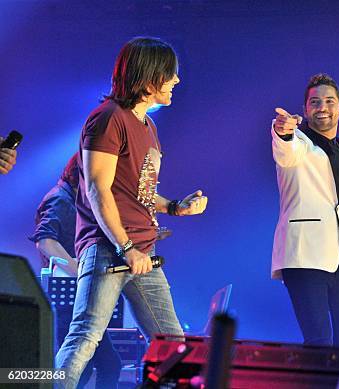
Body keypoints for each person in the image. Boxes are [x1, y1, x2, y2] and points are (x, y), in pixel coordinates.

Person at [55, 37, 207, 388]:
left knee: (172, 346)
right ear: (150, 77)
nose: (176, 81)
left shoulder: (147, 126)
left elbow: (138, 191)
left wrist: (174, 207)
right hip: (112, 248)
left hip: (141, 252)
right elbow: (97, 188)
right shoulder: (108, 119)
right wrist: (126, 247)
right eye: (171, 74)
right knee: (85, 338)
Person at [271, 73, 339, 347]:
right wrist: (283, 130)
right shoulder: (299, 143)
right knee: (319, 342)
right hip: (304, 256)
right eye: (314, 102)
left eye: (329, 101)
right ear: (305, 109)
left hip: (338, 263)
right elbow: (285, 150)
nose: (322, 107)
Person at [29, 153, 122, 388]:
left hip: (74, 297)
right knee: (88, 365)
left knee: (103, 364)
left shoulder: (69, 199)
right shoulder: (60, 199)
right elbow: (45, 241)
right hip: (68, 299)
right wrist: (81, 273)